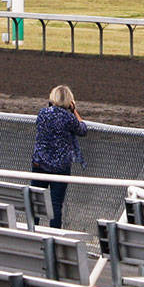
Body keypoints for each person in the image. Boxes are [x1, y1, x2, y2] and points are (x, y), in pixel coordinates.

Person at [29, 84, 87, 230]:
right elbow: (82, 129)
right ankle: (54, 235)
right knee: (56, 204)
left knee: (36, 201)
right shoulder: (68, 118)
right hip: (60, 167)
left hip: (40, 163)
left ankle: (31, 231)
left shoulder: (43, 113)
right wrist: (74, 111)